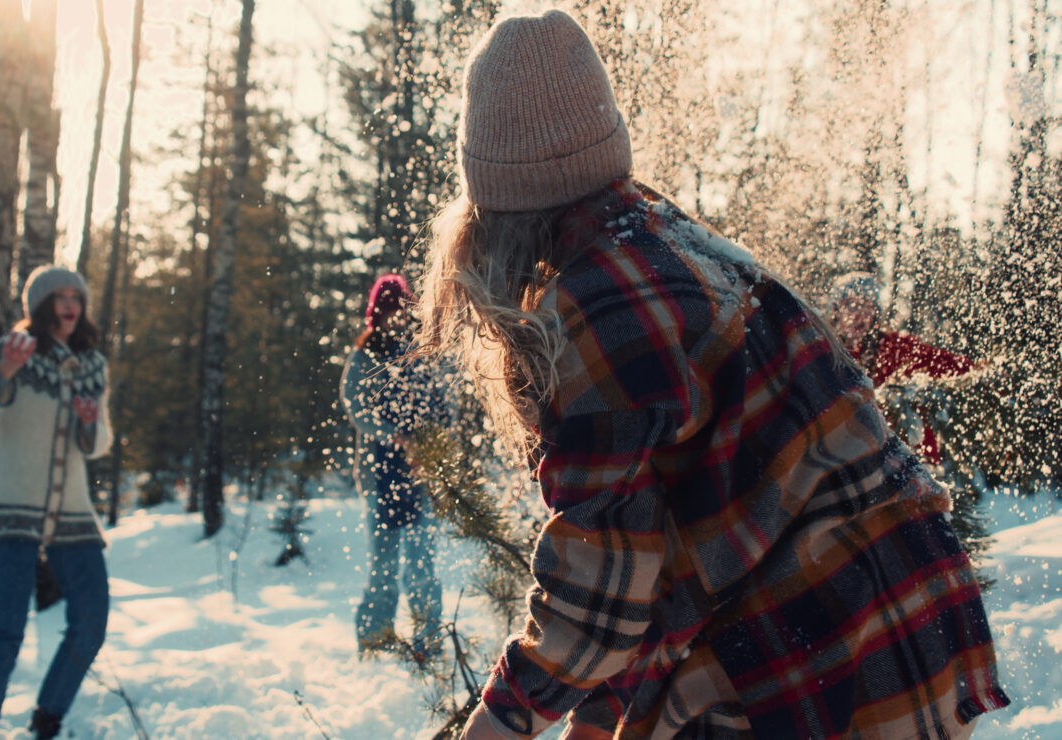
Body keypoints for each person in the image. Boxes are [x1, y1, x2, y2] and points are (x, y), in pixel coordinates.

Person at [415, 11, 1008, 740]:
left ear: (494, 211)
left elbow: (598, 597)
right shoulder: (679, 244)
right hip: (908, 617)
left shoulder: (592, 312)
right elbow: (671, 548)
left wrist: (497, 726)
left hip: (822, 648)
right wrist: (600, 719)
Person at [0, 265, 112, 740]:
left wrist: (89, 424)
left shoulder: (93, 364)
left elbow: (101, 442)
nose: (70, 304)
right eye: (60, 296)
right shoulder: (14, 350)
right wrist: (4, 373)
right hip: (12, 507)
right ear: (41, 305)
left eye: (76, 297)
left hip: (72, 511)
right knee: (6, 627)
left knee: (91, 620)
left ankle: (47, 720)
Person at [341, 273, 446, 662]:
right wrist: (394, 436)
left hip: (420, 476)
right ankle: (374, 644)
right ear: (378, 314)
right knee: (383, 568)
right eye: (391, 312)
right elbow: (357, 408)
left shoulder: (417, 352)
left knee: (423, 568)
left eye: (403, 311)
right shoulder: (365, 355)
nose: (398, 319)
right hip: (378, 476)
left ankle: (429, 643)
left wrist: (434, 448)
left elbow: (437, 405)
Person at [827, 271, 974, 465]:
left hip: (900, 459)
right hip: (845, 457)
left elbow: (945, 362)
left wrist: (982, 369)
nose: (858, 315)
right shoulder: (825, 352)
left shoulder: (894, 348)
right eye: (851, 305)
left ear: (875, 314)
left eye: (867, 306)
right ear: (837, 310)